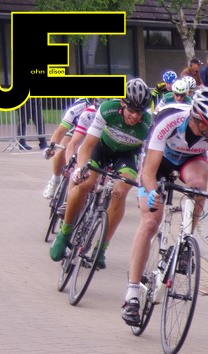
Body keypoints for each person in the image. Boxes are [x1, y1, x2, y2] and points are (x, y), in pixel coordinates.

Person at [123, 88, 208, 325]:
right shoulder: (170, 120)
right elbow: (148, 173)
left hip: (191, 160)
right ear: (202, 123)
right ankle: (132, 293)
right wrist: (152, 193)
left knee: (199, 185)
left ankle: (186, 240)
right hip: (159, 160)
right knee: (150, 221)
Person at [49, 80, 153, 270]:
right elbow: (87, 145)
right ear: (122, 103)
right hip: (101, 149)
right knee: (85, 183)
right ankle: (64, 233)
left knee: (120, 192)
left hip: (127, 156)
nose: (135, 116)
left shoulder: (148, 123)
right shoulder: (107, 110)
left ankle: (101, 249)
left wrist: (145, 183)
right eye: (131, 109)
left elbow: (149, 157)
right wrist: (80, 169)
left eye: (140, 112)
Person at [41, 97, 98, 198]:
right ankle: (55, 180)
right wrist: (51, 148)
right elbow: (60, 131)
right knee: (62, 150)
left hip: (95, 133)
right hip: (77, 130)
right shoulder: (78, 107)